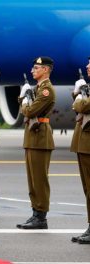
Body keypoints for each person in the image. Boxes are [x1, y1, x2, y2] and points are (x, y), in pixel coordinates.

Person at [16, 56, 56, 229]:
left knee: (39, 179)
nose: (33, 70)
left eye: (36, 68)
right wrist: (23, 98)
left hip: (41, 137)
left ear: (45, 70)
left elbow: (31, 111)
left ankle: (41, 216)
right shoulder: (38, 88)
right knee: (32, 179)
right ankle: (35, 213)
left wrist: (24, 102)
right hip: (32, 137)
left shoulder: (46, 90)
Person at [70, 57, 90, 244]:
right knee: (87, 189)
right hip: (83, 144)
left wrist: (78, 95)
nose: (87, 66)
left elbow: (83, 106)